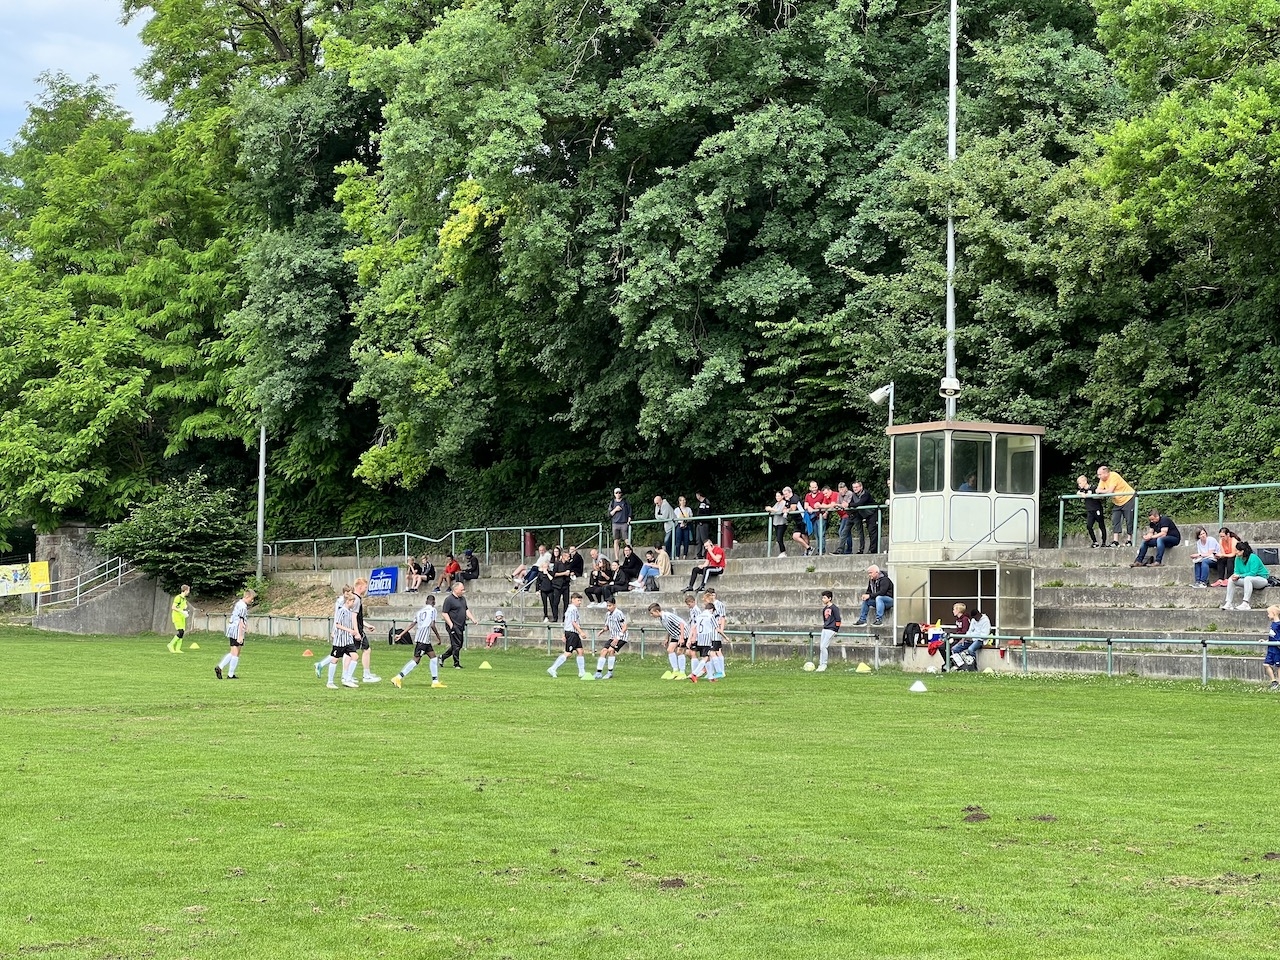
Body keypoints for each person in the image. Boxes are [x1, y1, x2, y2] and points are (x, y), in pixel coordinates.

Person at [390, 595, 446, 689]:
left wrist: (400, 635)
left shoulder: (419, 612)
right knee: (416, 659)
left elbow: (412, 624)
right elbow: (432, 625)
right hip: (423, 640)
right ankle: (398, 677)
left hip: (423, 639)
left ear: (426, 602)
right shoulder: (433, 610)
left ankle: (435, 681)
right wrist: (438, 637)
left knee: (433, 657)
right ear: (434, 602)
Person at [215, 588, 254, 680]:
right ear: (247, 596)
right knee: (235, 652)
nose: (252, 601)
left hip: (233, 629)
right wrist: (240, 635)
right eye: (251, 598)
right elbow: (240, 621)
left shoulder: (239, 604)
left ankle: (222, 668)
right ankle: (229, 673)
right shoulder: (242, 607)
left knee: (235, 652)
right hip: (236, 630)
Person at [548, 592, 587, 679]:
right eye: (578, 600)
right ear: (573, 600)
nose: (580, 602)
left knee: (580, 651)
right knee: (568, 653)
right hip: (572, 633)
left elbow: (566, 622)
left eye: (580, 600)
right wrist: (581, 632)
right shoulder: (573, 609)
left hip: (572, 633)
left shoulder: (569, 609)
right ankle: (553, 668)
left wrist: (564, 634)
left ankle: (582, 672)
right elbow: (573, 622)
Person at [440, 580, 479, 667]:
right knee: (456, 645)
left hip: (461, 625)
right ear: (456, 589)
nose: (463, 591)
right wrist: (451, 624)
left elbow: (466, 610)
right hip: (453, 625)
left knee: (459, 645)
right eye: (462, 590)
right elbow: (444, 613)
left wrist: (473, 619)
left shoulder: (463, 599)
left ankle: (442, 657)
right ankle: (456, 663)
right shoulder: (449, 600)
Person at [324, 593, 360, 688]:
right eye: (352, 601)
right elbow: (337, 624)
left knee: (355, 656)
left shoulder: (350, 611)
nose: (353, 603)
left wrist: (354, 632)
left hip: (348, 640)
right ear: (348, 601)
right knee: (334, 659)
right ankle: (330, 682)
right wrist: (349, 630)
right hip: (340, 641)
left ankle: (347, 679)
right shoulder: (341, 611)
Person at [1095, 465, 1135, 548]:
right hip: (1117, 501)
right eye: (1098, 475)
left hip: (1128, 498)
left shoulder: (1114, 476)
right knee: (1115, 519)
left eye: (1100, 474)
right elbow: (1097, 490)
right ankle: (1115, 541)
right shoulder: (1102, 480)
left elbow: (1110, 491)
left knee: (1129, 520)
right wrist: (1103, 491)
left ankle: (1129, 540)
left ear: (1106, 473)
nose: (1099, 477)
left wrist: (1103, 491)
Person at [1223, 541, 1269, 611]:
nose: (1235, 552)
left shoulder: (1253, 557)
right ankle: (1228, 603)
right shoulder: (1237, 558)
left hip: (1261, 579)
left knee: (1248, 578)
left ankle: (1246, 603)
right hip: (1246, 579)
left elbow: (1253, 573)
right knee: (1231, 580)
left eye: (1237, 550)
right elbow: (1236, 571)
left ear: (1242, 551)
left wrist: (1239, 576)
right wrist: (1235, 576)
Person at [688, 595, 726, 682]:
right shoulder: (710, 616)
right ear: (712, 610)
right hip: (707, 640)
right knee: (705, 658)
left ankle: (711, 677)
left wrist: (691, 638)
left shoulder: (699, 616)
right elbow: (717, 629)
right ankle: (694, 673)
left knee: (707, 658)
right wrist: (725, 637)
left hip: (700, 640)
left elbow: (694, 627)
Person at [351, 577, 379, 683]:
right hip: (357, 630)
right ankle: (366, 675)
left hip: (357, 628)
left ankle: (349, 675)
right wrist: (357, 631)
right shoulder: (356, 599)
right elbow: (353, 617)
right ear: (360, 587)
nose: (366, 589)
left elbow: (358, 617)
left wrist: (367, 625)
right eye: (365, 587)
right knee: (365, 650)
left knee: (350, 652)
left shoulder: (354, 598)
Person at [650, 601, 689, 678]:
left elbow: (681, 624)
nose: (651, 615)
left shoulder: (668, 616)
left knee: (679, 651)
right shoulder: (661, 618)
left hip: (683, 633)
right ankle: (675, 671)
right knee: (670, 650)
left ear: (657, 611)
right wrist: (667, 638)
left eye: (652, 613)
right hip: (675, 635)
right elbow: (669, 628)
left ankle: (682, 672)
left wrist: (681, 637)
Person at [594, 598, 629, 679]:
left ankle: (610, 672)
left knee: (611, 650)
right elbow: (608, 626)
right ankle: (598, 673)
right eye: (607, 606)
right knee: (603, 651)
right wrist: (602, 631)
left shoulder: (619, 613)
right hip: (613, 637)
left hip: (621, 637)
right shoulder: (608, 614)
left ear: (614, 605)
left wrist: (618, 638)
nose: (608, 608)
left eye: (610, 606)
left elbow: (625, 627)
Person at [1076, 475, 1106, 547]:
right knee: (1089, 526)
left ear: (1085, 481)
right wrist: (1081, 493)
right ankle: (1095, 542)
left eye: (1080, 483)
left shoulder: (1093, 487)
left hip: (1097, 509)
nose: (1079, 485)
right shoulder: (1082, 490)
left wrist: (1091, 495)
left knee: (1101, 525)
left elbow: (1100, 496)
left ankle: (1104, 542)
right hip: (1090, 511)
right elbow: (1077, 492)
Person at [849, 481, 878, 554]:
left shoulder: (866, 494)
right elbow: (853, 503)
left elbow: (860, 503)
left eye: (856, 487)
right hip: (865, 515)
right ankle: (864, 549)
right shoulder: (854, 495)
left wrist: (848, 505)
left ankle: (873, 550)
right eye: (853, 487)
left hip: (873, 513)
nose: (855, 489)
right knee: (867, 531)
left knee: (872, 531)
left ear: (861, 487)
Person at [817, 591, 841, 673]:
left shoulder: (834, 608)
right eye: (822, 597)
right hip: (825, 629)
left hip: (831, 629)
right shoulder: (824, 609)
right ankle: (820, 664)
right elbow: (825, 619)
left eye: (824, 598)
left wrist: (836, 629)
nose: (823, 599)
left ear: (829, 598)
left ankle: (824, 664)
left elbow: (838, 619)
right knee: (821, 647)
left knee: (824, 646)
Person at [549, 545, 572, 621]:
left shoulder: (568, 564)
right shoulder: (557, 563)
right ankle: (555, 617)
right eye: (567, 556)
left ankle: (565, 618)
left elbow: (569, 572)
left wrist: (570, 574)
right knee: (556, 602)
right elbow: (554, 574)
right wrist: (563, 573)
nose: (569, 558)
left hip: (566, 585)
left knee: (566, 602)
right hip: (557, 585)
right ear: (563, 556)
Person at [608, 488, 632, 554]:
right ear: (614, 494)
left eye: (619, 492)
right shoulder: (612, 502)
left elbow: (630, 510)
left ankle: (631, 554)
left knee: (627, 540)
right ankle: (616, 558)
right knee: (616, 541)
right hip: (615, 523)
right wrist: (615, 509)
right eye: (616, 493)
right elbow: (609, 514)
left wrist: (629, 517)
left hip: (624, 523)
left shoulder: (625, 502)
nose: (618, 494)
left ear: (621, 493)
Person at [168, 584, 190, 654]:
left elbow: (183, 606)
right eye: (188, 590)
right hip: (177, 616)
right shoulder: (178, 597)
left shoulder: (184, 599)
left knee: (182, 632)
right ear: (185, 590)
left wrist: (185, 611)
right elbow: (173, 607)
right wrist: (181, 611)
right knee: (180, 632)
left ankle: (178, 649)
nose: (189, 592)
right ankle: (170, 645)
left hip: (182, 617)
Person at [767, 491, 789, 557]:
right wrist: (769, 509)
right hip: (776, 523)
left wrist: (771, 509)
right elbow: (773, 510)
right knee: (778, 539)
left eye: (779, 496)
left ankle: (783, 552)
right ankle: (782, 552)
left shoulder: (784, 503)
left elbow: (780, 511)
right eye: (776, 496)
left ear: (782, 496)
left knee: (779, 538)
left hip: (782, 523)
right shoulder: (777, 503)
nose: (777, 497)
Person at [1263, 605, 1280, 692]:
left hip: (1277, 650)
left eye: (1269, 613)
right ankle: (1274, 681)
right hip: (1271, 649)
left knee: (1278, 666)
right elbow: (1272, 637)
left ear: (1274, 613)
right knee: (1266, 664)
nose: (1268, 615)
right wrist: (1266, 641)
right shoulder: (1272, 624)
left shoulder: (1279, 625)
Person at [834, 482, 854, 554]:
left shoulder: (850, 493)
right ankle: (847, 549)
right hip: (843, 515)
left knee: (842, 532)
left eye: (842, 489)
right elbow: (838, 504)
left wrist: (839, 505)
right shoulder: (839, 495)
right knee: (845, 532)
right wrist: (839, 505)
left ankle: (847, 549)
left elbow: (846, 505)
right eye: (840, 490)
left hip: (849, 515)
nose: (841, 491)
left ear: (846, 488)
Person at [694, 492, 714, 558]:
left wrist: (702, 521)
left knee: (705, 539)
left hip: (704, 523)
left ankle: (707, 554)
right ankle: (699, 554)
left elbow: (707, 513)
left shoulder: (706, 502)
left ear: (699, 495)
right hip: (699, 524)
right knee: (698, 539)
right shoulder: (699, 503)